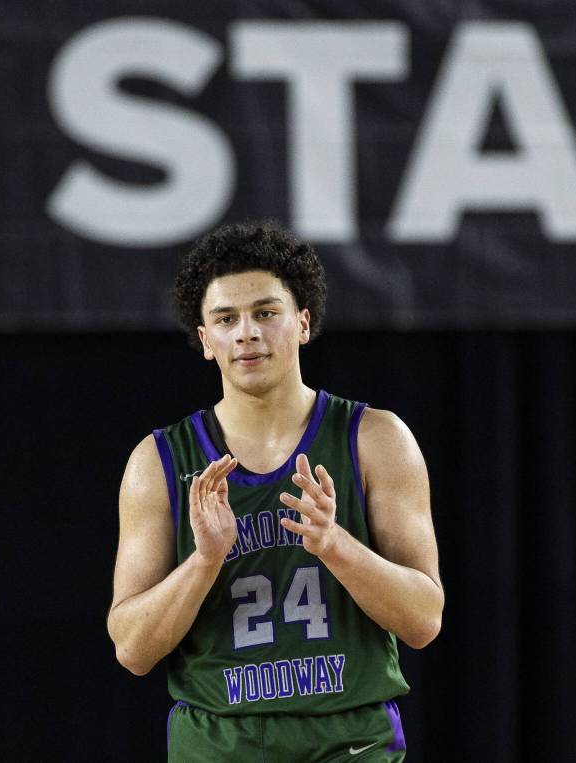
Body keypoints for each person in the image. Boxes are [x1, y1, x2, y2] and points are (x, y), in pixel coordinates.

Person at [107, 221, 443, 761]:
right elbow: (132, 649)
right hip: (218, 742)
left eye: (266, 312)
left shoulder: (375, 439)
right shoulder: (159, 462)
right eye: (226, 319)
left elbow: (424, 620)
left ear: (302, 323)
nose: (247, 332)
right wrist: (204, 561)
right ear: (205, 340)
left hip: (348, 739)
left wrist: (336, 545)